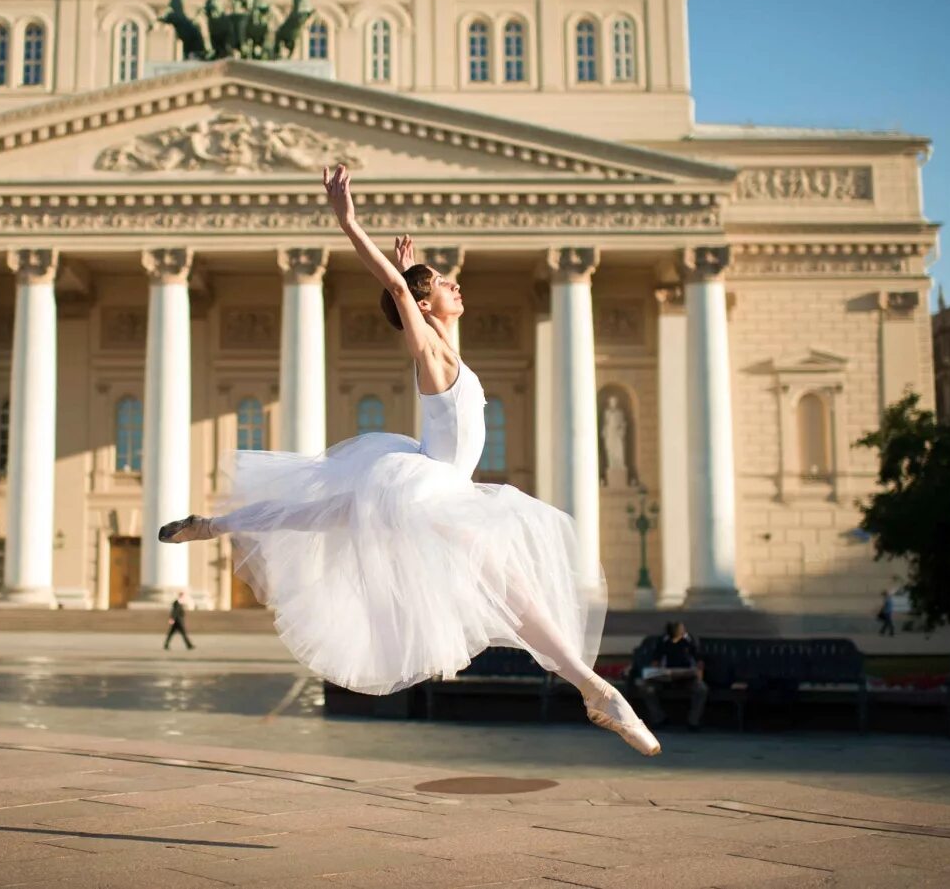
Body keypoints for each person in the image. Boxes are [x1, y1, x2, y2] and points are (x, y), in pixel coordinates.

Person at [157, 164, 660, 756]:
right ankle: (596, 690)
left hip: (429, 481)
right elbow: (400, 294)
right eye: (445, 285)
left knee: (315, 512)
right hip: (430, 489)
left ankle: (213, 526)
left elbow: (423, 307)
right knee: (514, 591)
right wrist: (351, 226)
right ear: (422, 304)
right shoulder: (430, 355)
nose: (456, 287)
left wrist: (416, 265)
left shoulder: (451, 354)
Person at [637, 621, 708, 731]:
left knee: (701, 689)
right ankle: (658, 718)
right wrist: (654, 674)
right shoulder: (663, 642)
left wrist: (698, 676)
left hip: (686, 678)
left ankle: (693, 721)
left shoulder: (689, 642)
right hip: (665, 678)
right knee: (646, 688)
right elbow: (655, 662)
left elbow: (699, 663)